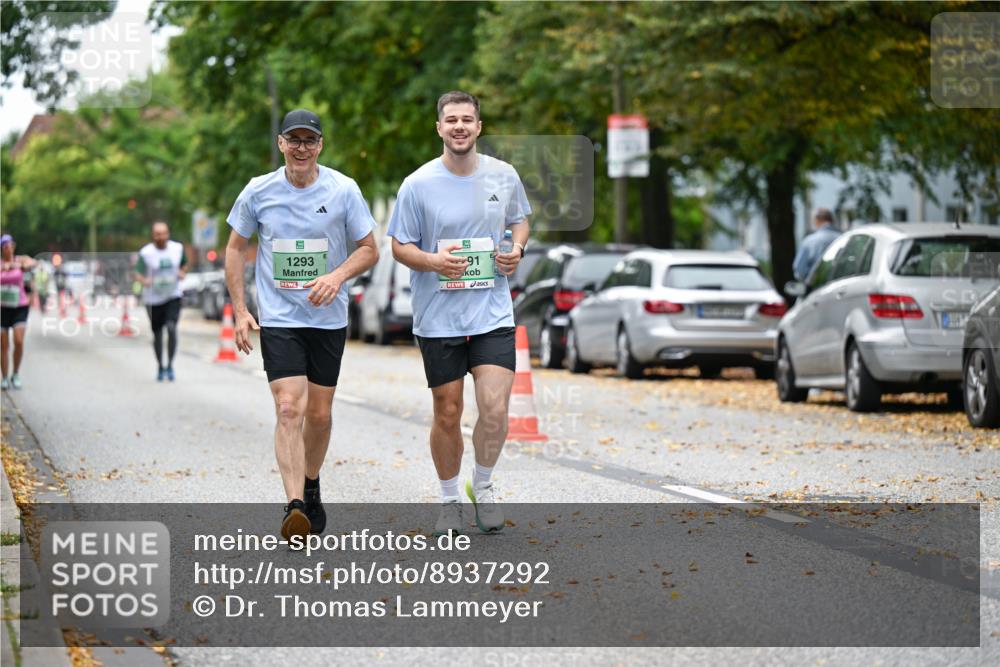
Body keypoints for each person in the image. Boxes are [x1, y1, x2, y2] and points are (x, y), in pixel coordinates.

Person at [226, 109, 378, 540]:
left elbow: (369, 249)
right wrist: (241, 309)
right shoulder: (259, 191)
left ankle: (311, 483)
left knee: (321, 414)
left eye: (309, 140)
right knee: (289, 406)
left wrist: (335, 276)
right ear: (280, 144)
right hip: (280, 318)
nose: (301, 147)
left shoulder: (343, 189)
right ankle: (294, 506)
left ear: (320, 146)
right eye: (293, 139)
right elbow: (235, 249)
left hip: (328, 319)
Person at [388, 91, 531, 535]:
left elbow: (520, 220)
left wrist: (516, 249)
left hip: (491, 312)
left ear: (478, 127)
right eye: (451, 120)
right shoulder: (417, 184)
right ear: (439, 129)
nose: (459, 127)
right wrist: (432, 261)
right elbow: (399, 245)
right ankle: (449, 499)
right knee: (447, 411)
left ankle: (482, 486)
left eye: (467, 119)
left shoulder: (503, 175)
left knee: (493, 407)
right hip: (438, 317)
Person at [134, 222, 188, 381]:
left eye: (164, 233)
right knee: (157, 334)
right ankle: (160, 366)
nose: (161, 237)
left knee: (171, 328)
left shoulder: (177, 248)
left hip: (173, 295)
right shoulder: (146, 253)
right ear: (153, 235)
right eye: (158, 234)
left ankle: (170, 364)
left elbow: (184, 264)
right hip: (153, 299)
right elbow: (137, 272)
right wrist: (144, 280)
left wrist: (182, 272)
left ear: (168, 234)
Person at [0, 235, 35, 390]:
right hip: (2, 308)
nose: (9, 248)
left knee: (19, 341)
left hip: (19, 306)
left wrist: (17, 265)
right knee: (3, 345)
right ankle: (4, 377)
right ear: (1, 248)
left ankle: (15, 373)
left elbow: (32, 263)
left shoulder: (20, 260)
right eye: (5, 245)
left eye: (11, 245)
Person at [793, 208, 841, 282]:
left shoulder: (809, 241)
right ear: (832, 220)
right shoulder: (843, 238)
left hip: (816, 288)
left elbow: (799, 270)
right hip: (840, 285)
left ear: (817, 220)